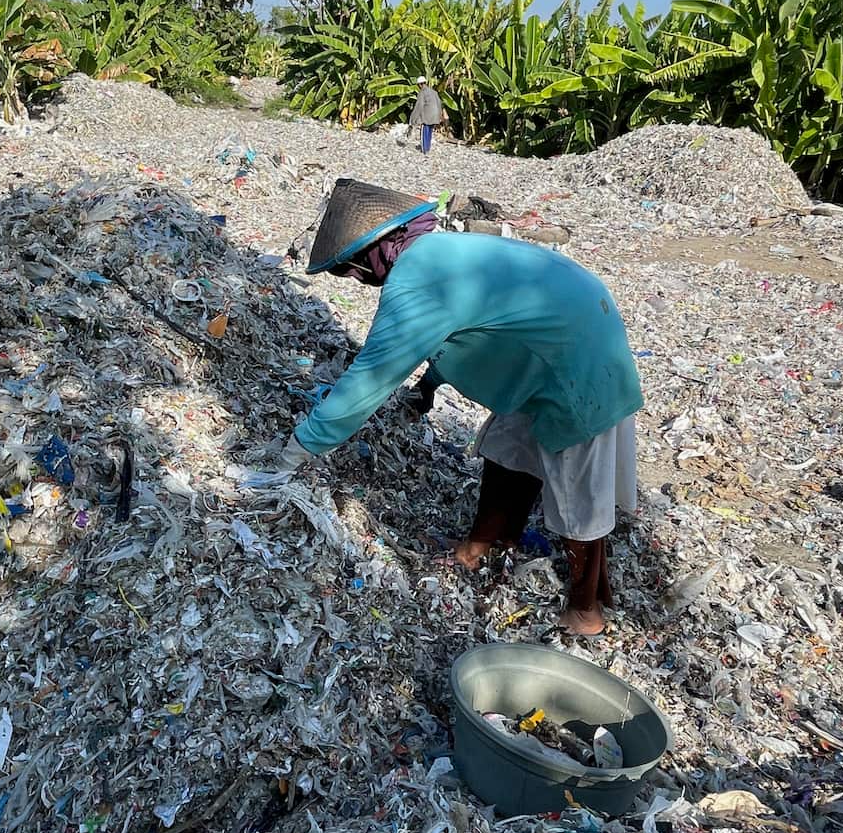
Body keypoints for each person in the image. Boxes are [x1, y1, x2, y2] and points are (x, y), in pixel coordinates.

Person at [274, 179, 643, 636]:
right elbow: (474, 327)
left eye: (351, 269)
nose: (357, 280)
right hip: (556, 342)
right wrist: (429, 385)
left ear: (377, 248)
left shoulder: (418, 276)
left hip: (581, 366)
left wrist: (297, 450)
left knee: (577, 494)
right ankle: (480, 546)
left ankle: (586, 610)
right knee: (507, 448)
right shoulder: (442, 250)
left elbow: (369, 378)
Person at [408, 76, 443, 155]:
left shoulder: (422, 93)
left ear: (420, 85)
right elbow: (439, 104)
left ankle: (424, 150)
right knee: (430, 131)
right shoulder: (434, 92)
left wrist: (412, 119)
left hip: (427, 115)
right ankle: (428, 148)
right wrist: (439, 116)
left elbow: (419, 106)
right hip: (435, 115)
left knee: (424, 130)